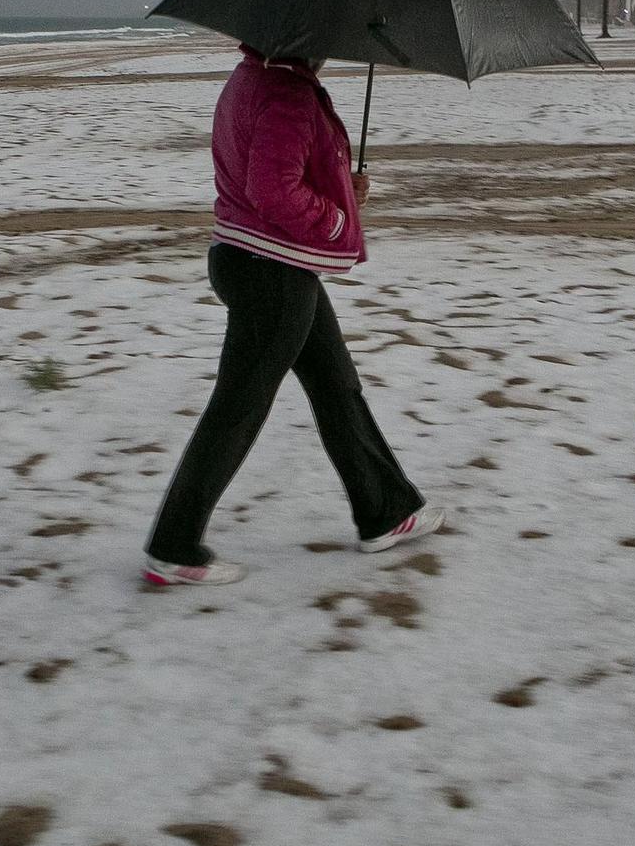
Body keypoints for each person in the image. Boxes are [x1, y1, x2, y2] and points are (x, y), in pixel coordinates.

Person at [141, 45, 444, 586]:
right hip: (270, 271)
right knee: (238, 406)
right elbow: (271, 190)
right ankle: (174, 545)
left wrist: (344, 194)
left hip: (252, 259)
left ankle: (385, 511)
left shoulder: (249, 78)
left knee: (336, 385)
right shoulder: (288, 93)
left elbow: (272, 173)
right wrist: (333, 220)